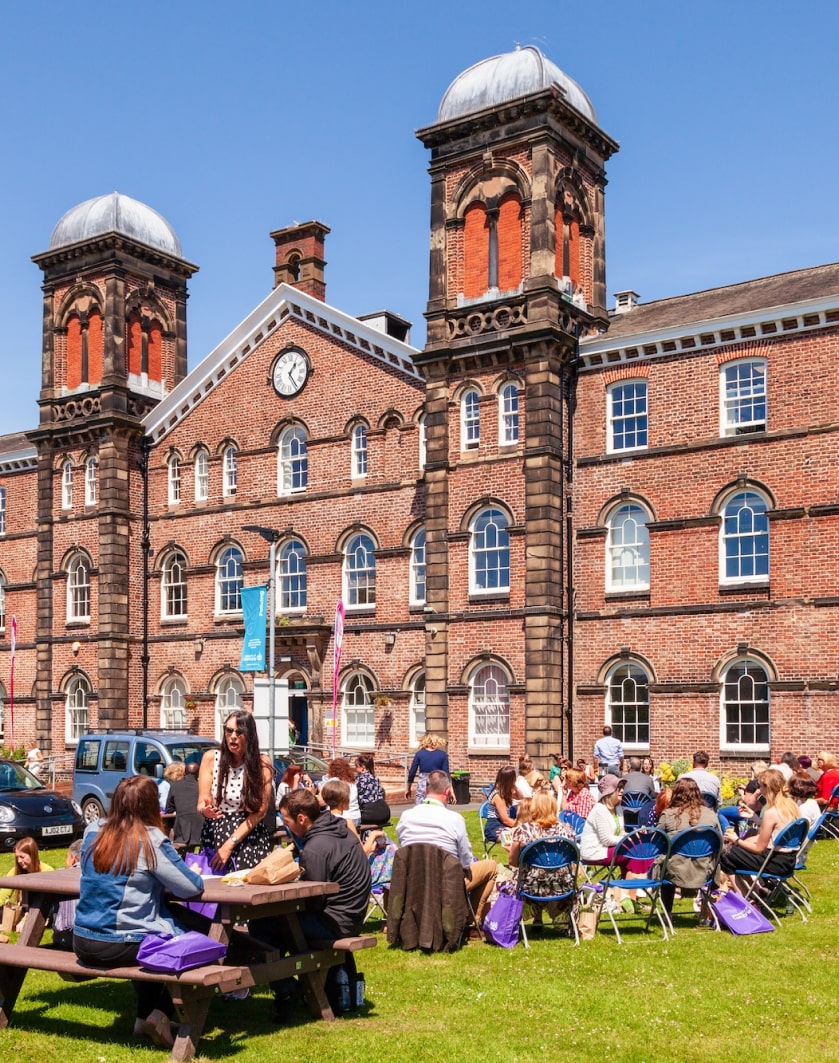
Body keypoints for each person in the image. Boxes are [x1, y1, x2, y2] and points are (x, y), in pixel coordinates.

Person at [72, 775, 204, 1047]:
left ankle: (142, 1019)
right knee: (200, 940)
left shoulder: (93, 831)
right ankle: (161, 1014)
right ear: (150, 806)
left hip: (82, 939)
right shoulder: (151, 838)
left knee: (153, 937)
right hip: (119, 942)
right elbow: (190, 887)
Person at [261, 789, 371, 1021]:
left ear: (301, 818)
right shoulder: (341, 830)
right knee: (274, 925)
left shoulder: (315, 848)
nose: (286, 826)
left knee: (263, 927)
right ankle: (292, 986)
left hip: (334, 922)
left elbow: (312, 900)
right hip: (353, 915)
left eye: (287, 821)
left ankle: (285, 989)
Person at [396, 769, 497, 925]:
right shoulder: (454, 819)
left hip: (414, 879)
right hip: (446, 882)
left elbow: (403, 849)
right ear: (448, 791)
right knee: (491, 867)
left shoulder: (406, 817)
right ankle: (471, 921)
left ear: (424, 789)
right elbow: (466, 862)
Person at [198, 709, 273, 871]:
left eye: (239, 732)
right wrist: (206, 810)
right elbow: (201, 801)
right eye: (229, 730)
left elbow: (260, 812)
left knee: (246, 891)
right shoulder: (211, 758)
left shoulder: (262, 764)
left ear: (249, 735)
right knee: (215, 892)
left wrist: (230, 843)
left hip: (248, 835)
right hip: (215, 832)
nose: (233, 736)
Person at [719, 769, 801, 889]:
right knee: (736, 848)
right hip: (788, 860)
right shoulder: (791, 805)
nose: (759, 790)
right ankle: (755, 891)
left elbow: (758, 849)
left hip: (773, 862)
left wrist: (736, 840)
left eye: (760, 786)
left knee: (724, 852)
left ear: (766, 787)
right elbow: (778, 827)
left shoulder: (771, 812)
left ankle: (745, 897)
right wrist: (754, 817)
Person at [508, 790, 577, 929]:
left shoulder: (524, 830)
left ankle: (511, 925)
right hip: (562, 885)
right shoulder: (567, 830)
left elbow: (513, 862)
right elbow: (574, 858)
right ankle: (549, 920)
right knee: (544, 872)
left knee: (512, 880)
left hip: (531, 886)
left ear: (534, 807)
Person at [656, 777, 720, 914]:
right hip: (705, 869)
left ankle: (667, 913)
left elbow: (657, 841)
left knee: (664, 859)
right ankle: (706, 912)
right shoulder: (711, 814)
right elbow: (720, 842)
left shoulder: (668, 814)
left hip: (675, 872)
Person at [0, 837, 55, 904]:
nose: (19, 861)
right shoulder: (15, 871)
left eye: (22, 857)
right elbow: (2, 897)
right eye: (17, 857)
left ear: (32, 855)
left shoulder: (47, 872)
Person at [51, 839, 83, 950]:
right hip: (95, 936)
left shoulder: (62, 876)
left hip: (66, 940)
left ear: (74, 859)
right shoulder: (99, 874)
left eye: (67, 857)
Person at [165, 760, 203, 848]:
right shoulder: (201, 786)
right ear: (199, 774)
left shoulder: (175, 786)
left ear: (184, 773)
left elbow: (169, 809)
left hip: (181, 833)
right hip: (200, 832)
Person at [405, 733, 449, 803]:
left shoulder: (419, 754)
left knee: (421, 805)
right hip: (437, 782)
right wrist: (451, 790)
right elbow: (446, 774)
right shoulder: (443, 755)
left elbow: (412, 773)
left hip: (423, 783)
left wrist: (408, 788)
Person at [483, 765, 518, 844]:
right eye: (514, 779)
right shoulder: (498, 796)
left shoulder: (506, 791)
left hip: (504, 825)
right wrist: (521, 827)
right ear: (510, 780)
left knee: (522, 836)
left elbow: (523, 798)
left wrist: (514, 786)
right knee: (514, 839)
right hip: (495, 826)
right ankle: (515, 856)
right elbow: (505, 820)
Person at [353, 753, 390, 824]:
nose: (355, 768)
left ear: (362, 767)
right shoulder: (376, 779)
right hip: (385, 813)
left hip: (369, 815)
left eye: (357, 766)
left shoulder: (358, 780)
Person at [322, 759, 361, 825]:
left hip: (340, 818)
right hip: (356, 817)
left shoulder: (333, 782)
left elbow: (322, 801)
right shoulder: (352, 782)